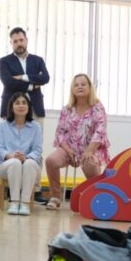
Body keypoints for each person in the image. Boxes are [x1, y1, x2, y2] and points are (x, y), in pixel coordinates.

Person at [45, 74, 110, 211]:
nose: (80, 87)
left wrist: (89, 151)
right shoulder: (67, 109)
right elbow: (60, 133)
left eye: (83, 84)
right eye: (76, 85)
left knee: (89, 163)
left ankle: (95, 197)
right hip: (69, 149)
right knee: (51, 161)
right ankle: (55, 197)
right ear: (72, 89)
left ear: (89, 87)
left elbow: (100, 131)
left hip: (91, 149)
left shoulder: (98, 107)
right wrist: (68, 151)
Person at [0, 92, 43, 216]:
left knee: (30, 163)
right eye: (17, 103)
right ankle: (14, 202)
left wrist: (26, 157)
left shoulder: (36, 127)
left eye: (24, 103)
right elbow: (0, 148)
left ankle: (25, 204)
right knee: (15, 163)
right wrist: (10, 156)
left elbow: (37, 150)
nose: (21, 105)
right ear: (12, 107)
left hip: (30, 166)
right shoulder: (3, 126)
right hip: (6, 166)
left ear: (28, 107)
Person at [0, 27, 49, 124]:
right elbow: (8, 82)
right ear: (11, 43)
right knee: (10, 134)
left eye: (21, 40)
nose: (19, 44)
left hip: (35, 108)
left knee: (36, 134)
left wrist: (23, 77)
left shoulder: (38, 60)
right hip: (11, 108)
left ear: (26, 40)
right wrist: (32, 86)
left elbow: (45, 78)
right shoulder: (4, 61)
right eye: (15, 41)